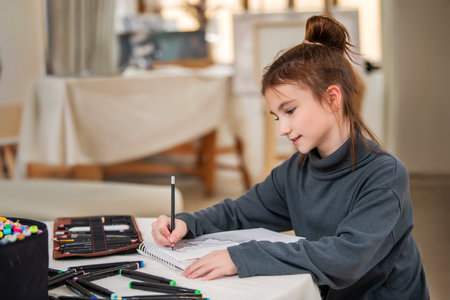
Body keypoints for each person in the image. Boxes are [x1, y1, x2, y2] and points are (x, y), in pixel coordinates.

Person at [151, 15, 429, 299]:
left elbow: (345, 260)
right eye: (277, 117)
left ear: (333, 98)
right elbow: (238, 212)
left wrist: (242, 257)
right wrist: (187, 223)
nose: (282, 129)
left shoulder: (386, 175)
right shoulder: (294, 172)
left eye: (290, 110)